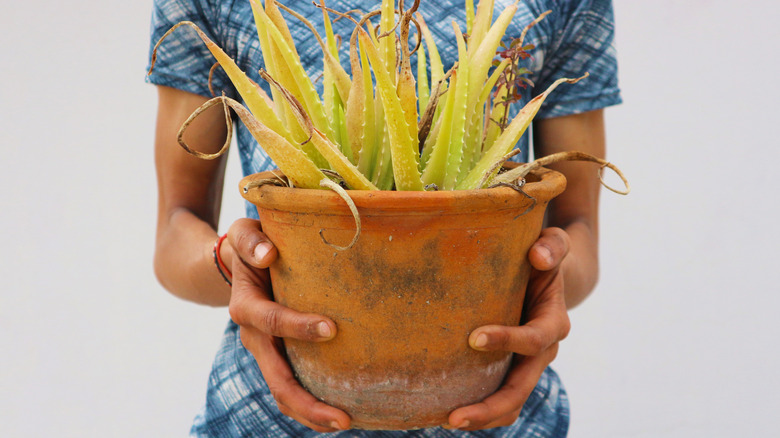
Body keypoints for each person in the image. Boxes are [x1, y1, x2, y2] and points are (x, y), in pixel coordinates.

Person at [147, 0, 621, 436]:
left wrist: (547, 279)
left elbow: (577, 234)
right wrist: (233, 263)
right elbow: (176, 227)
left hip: (504, 416)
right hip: (261, 415)